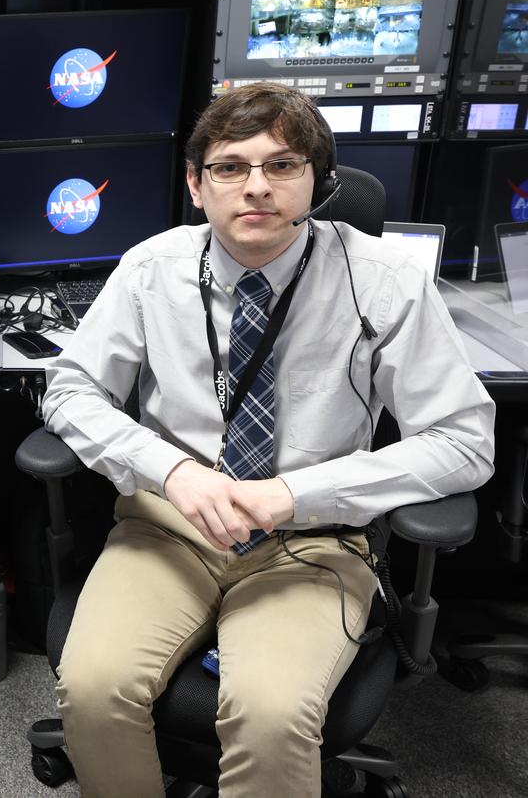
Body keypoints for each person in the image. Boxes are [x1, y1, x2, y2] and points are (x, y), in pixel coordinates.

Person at [41, 82, 495, 798]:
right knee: (93, 686)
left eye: (282, 166)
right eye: (230, 167)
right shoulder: (151, 268)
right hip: (171, 527)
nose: (256, 188)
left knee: (272, 714)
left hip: (313, 541)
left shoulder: (386, 283)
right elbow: (68, 391)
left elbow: (466, 439)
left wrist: (295, 494)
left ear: (320, 181)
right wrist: (172, 472)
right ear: (197, 184)